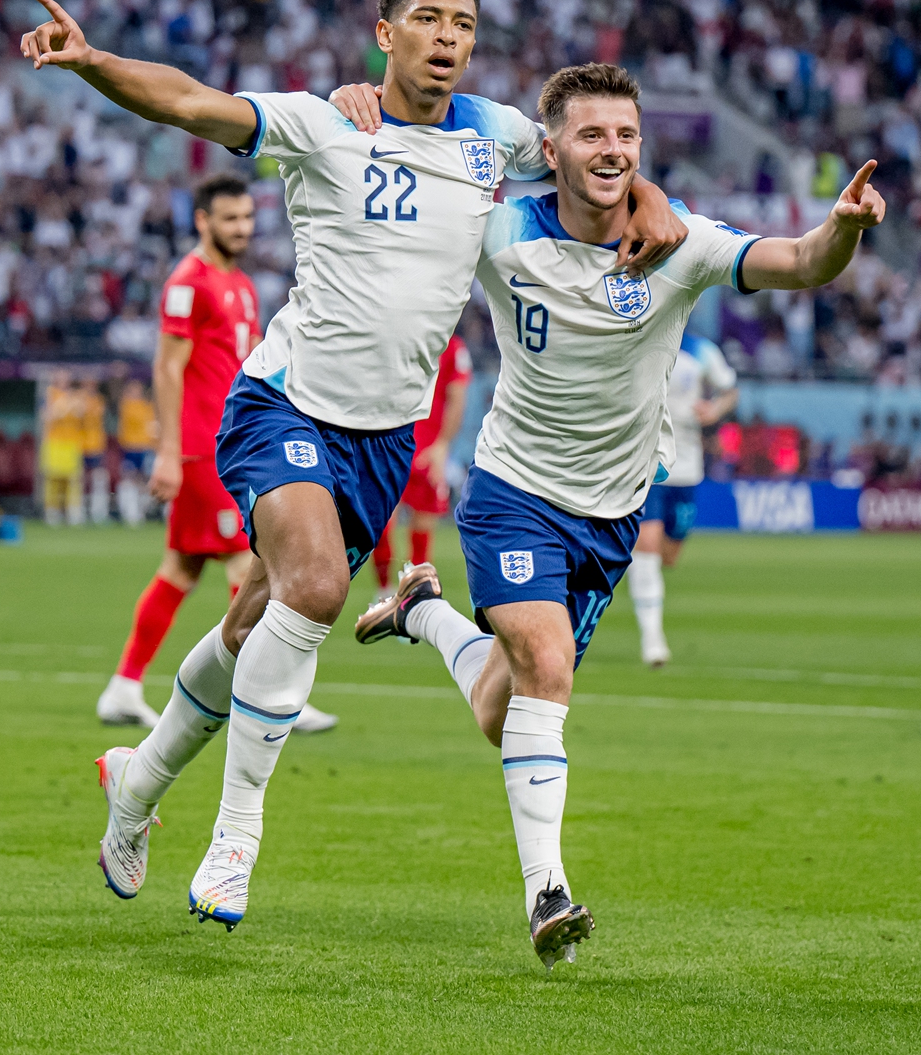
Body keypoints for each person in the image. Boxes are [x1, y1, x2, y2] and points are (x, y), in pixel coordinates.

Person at [21, 0, 684, 922]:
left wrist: (653, 198)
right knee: (321, 589)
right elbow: (192, 102)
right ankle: (236, 834)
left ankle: (138, 781)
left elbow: (599, 157)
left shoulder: (499, 138)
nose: (448, 37)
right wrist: (92, 62)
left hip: (382, 439)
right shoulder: (323, 122)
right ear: (387, 35)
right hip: (284, 402)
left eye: (463, 21)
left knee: (257, 619)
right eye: (427, 19)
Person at [355, 62, 885, 968]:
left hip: (610, 513)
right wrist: (353, 104)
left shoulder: (679, 245)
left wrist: (840, 230)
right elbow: (415, 171)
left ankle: (423, 613)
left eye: (627, 138)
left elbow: (797, 262)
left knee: (501, 710)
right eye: (593, 135)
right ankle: (546, 893)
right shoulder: (497, 230)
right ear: (550, 146)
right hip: (513, 489)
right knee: (547, 669)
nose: (612, 151)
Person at [96, 174, 339, 733]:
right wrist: (166, 451)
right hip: (203, 450)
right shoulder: (189, 282)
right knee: (255, 565)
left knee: (180, 569)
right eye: (229, 219)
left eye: (247, 219)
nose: (242, 229)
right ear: (202, 220)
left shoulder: (242, 286)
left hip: (230, 443)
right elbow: (166, 367)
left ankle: (124, 685)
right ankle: (275, 695)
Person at [627, 332, 738, 666]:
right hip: (645, 461)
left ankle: (634, 573)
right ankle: (653, 642)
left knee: (668, 555)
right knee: (647, 543)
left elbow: (730, 389)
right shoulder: (638, 335)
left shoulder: (701, 349)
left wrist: (716, 409)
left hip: (688, 465)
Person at [371, 334, 472, 595]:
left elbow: (457, 398)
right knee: (380, 523)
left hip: (428, 450)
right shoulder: (402, 335)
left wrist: (443, 445)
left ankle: (413, 599)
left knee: (422, 525)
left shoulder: (454, 348)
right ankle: (383, 592)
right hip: (392, 444)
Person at [40, 370, 85, 526]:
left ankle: (73, 512)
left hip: (72, 442)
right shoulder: (49, 394)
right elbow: (47, 416)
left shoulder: (76, 396)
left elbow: (82, 414)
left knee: (73, 480)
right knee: (53, 479)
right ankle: (52, 512)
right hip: (54, 442)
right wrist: (63, 407)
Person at [114, 379, 157, 528]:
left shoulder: (147, 407)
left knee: (143, 480)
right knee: (130, 478)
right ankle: (129, 512)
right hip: (131, 447)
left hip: (144, 447)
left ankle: (141, 511)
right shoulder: (126, 406)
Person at [80, 377, 110, 524]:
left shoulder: (99, 400)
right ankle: (78, 511)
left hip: (96, 444)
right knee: (79, 479)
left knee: (98, 478)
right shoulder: (77, 399)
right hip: (80, 444)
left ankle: (98, 511)